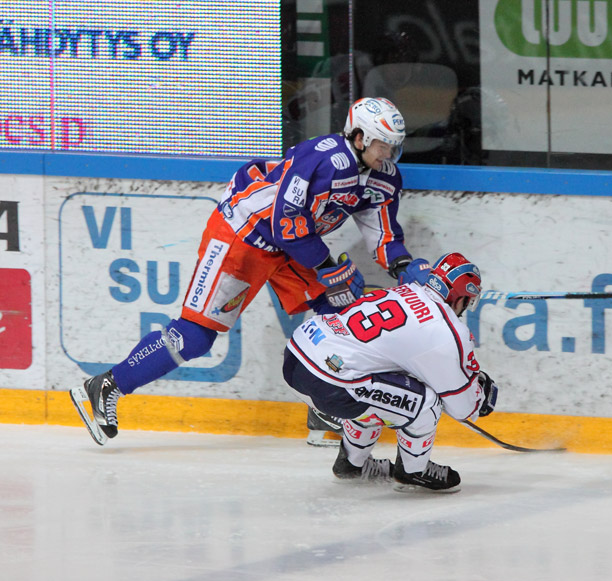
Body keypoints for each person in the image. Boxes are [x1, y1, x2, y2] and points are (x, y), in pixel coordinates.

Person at [69, 97, 432, 446]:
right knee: (195, 337)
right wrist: (326, 266)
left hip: (295, 245)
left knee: (342, 316)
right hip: (245, 235)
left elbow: (382, 233)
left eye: (393, 147)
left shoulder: (384, 178)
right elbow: (285, 220)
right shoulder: (322, 158)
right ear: (358, 137)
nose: (388, 155)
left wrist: (404, 266)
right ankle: (106, 385)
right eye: (382, 145)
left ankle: (323, 411)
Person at [282, 252, 499, 493]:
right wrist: (481, 394)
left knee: (373, 390)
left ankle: (351, 465)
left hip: (298, 353)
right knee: (426, 402)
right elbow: (463, 408)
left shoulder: (408, 290)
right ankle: (413, 470)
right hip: (330, 382)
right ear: (462, 297)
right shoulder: (448, 331)